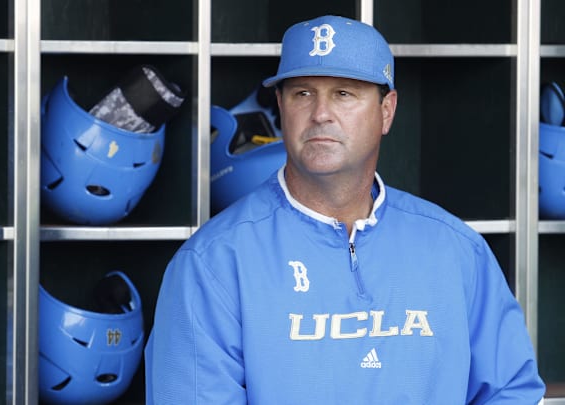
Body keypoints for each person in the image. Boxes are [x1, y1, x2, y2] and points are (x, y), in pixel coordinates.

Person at [145, 15, 546, 404]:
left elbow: (511, 391)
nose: (321, 113)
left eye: (344, 93)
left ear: (386, 111)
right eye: (303, 93)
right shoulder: (212, 263)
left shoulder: (455, 249)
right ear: (282, 108)